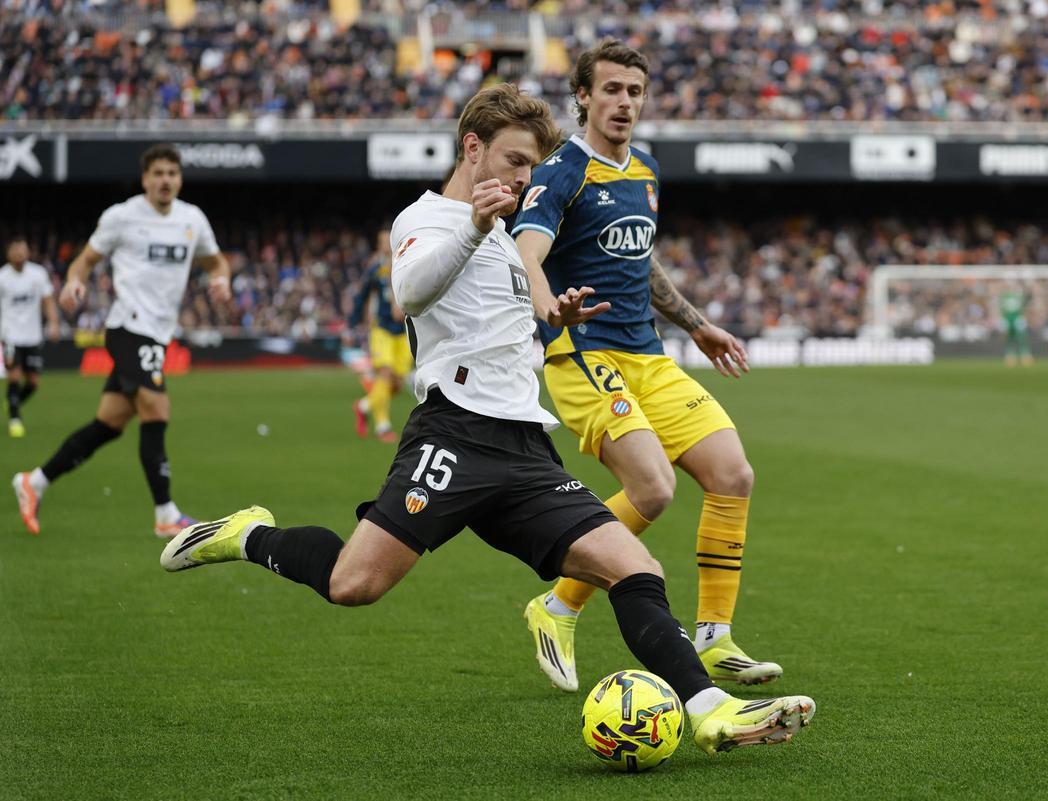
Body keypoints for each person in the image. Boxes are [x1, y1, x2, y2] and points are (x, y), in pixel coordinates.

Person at [158, 84, 814, 756]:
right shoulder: (429, 218)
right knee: (353, 584)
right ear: (473, 148)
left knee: (634, 565)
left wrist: (553, 315)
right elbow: (409, 292)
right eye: (514, 160)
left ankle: (709, 711)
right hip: (455, 434)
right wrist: (474, 224)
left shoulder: (502, 236)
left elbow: (505, 321)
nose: (524, 177)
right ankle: (247, 535)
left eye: (531, 166)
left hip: (524, 445)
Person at [510, 39, 781, 692]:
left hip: (648, 356)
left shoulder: (645, 170)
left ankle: (716, 637)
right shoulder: (563, 170)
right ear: (583, 96)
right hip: (583, 354)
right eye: (611, 90)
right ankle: (558, 603)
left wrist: (697, 323)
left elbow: (643, 260)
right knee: (654, 489)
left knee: (732, 473)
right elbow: (528, 247)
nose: (624, 102)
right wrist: (549, 308)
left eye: (634, 91)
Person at [12, 143, 232, 537]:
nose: (165, 180)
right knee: (156, 409)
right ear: (145, 178)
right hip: (128, 327)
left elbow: (216, 261)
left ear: (179, 178)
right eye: (158, 174)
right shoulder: (122, 216)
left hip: (158, 334)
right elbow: (85, 260)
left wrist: (221, 279)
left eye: (172, 174)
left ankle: (35, 482)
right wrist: (75, 283)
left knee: (109, 422)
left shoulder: (192, 219)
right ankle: (166, 514)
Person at [348, 228, 412, 443]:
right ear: (379, 245)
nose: (388, 244)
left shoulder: (407, 263)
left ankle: (364, 405)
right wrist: (351, 325)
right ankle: (383, 427)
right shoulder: (376, 270)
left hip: (403, 332)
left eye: (390, 240)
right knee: (385, 374)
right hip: (382, 328)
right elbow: (362, 296)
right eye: (383, 241)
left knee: (396, 383)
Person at [0, 236, 59, 438]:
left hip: (33, 337)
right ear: (9, 254)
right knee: (14, 375)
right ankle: (15, 418)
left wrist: (53, 322)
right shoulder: (2, 277)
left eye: (22, 250)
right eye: (15, 251)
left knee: (33, 383)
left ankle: (13, 401)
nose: (19, 254)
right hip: (10, 336)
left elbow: (48, 300)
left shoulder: (38, 274)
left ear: (28, 252)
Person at [999, 281, 1033, 367]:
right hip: (1008, 319)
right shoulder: (1004, 296)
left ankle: (1025, 355)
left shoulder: (1018, 296)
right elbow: (1003, 309)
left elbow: (1022, 308)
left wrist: (1022, 317)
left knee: (1021, 337)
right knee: (1009, 338)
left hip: (1017, 318)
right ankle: (1010, 355)